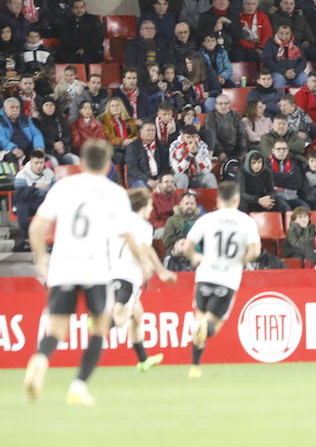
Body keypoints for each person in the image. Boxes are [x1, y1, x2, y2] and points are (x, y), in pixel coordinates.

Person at [23, 140, 170, 406]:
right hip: (96, 269)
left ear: (81, 162)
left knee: (56, 330)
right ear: (107, 164)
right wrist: (146, 264)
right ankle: (78, 386)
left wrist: (41, 258)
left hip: (63, 266)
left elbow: (37, 227)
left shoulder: (64, 186)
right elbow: (129, 235)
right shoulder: (114, 193)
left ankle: (40, 358)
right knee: (100, 328)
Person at [177, 180, 260, 377]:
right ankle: (198, 355)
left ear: (218, 199)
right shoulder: (246, 221)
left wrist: (194, 257)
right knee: (213, 324)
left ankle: (195, 366)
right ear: (237, 199)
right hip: (228, 278)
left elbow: (187, 246)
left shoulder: (207, 219)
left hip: (205, 274)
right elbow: (255, 250)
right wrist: (241, 261)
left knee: (200, 319)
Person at [108, 187, 167, 373]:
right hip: (129, 276)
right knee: (121, 316)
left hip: (113, 273)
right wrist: (151, 267)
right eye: (150, 204)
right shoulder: (143, 225)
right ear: (144, 205)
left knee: (137, 315)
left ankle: (143, 360)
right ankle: (101, 321)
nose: (151, 208)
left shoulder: (120, 222)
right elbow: (143, 248)